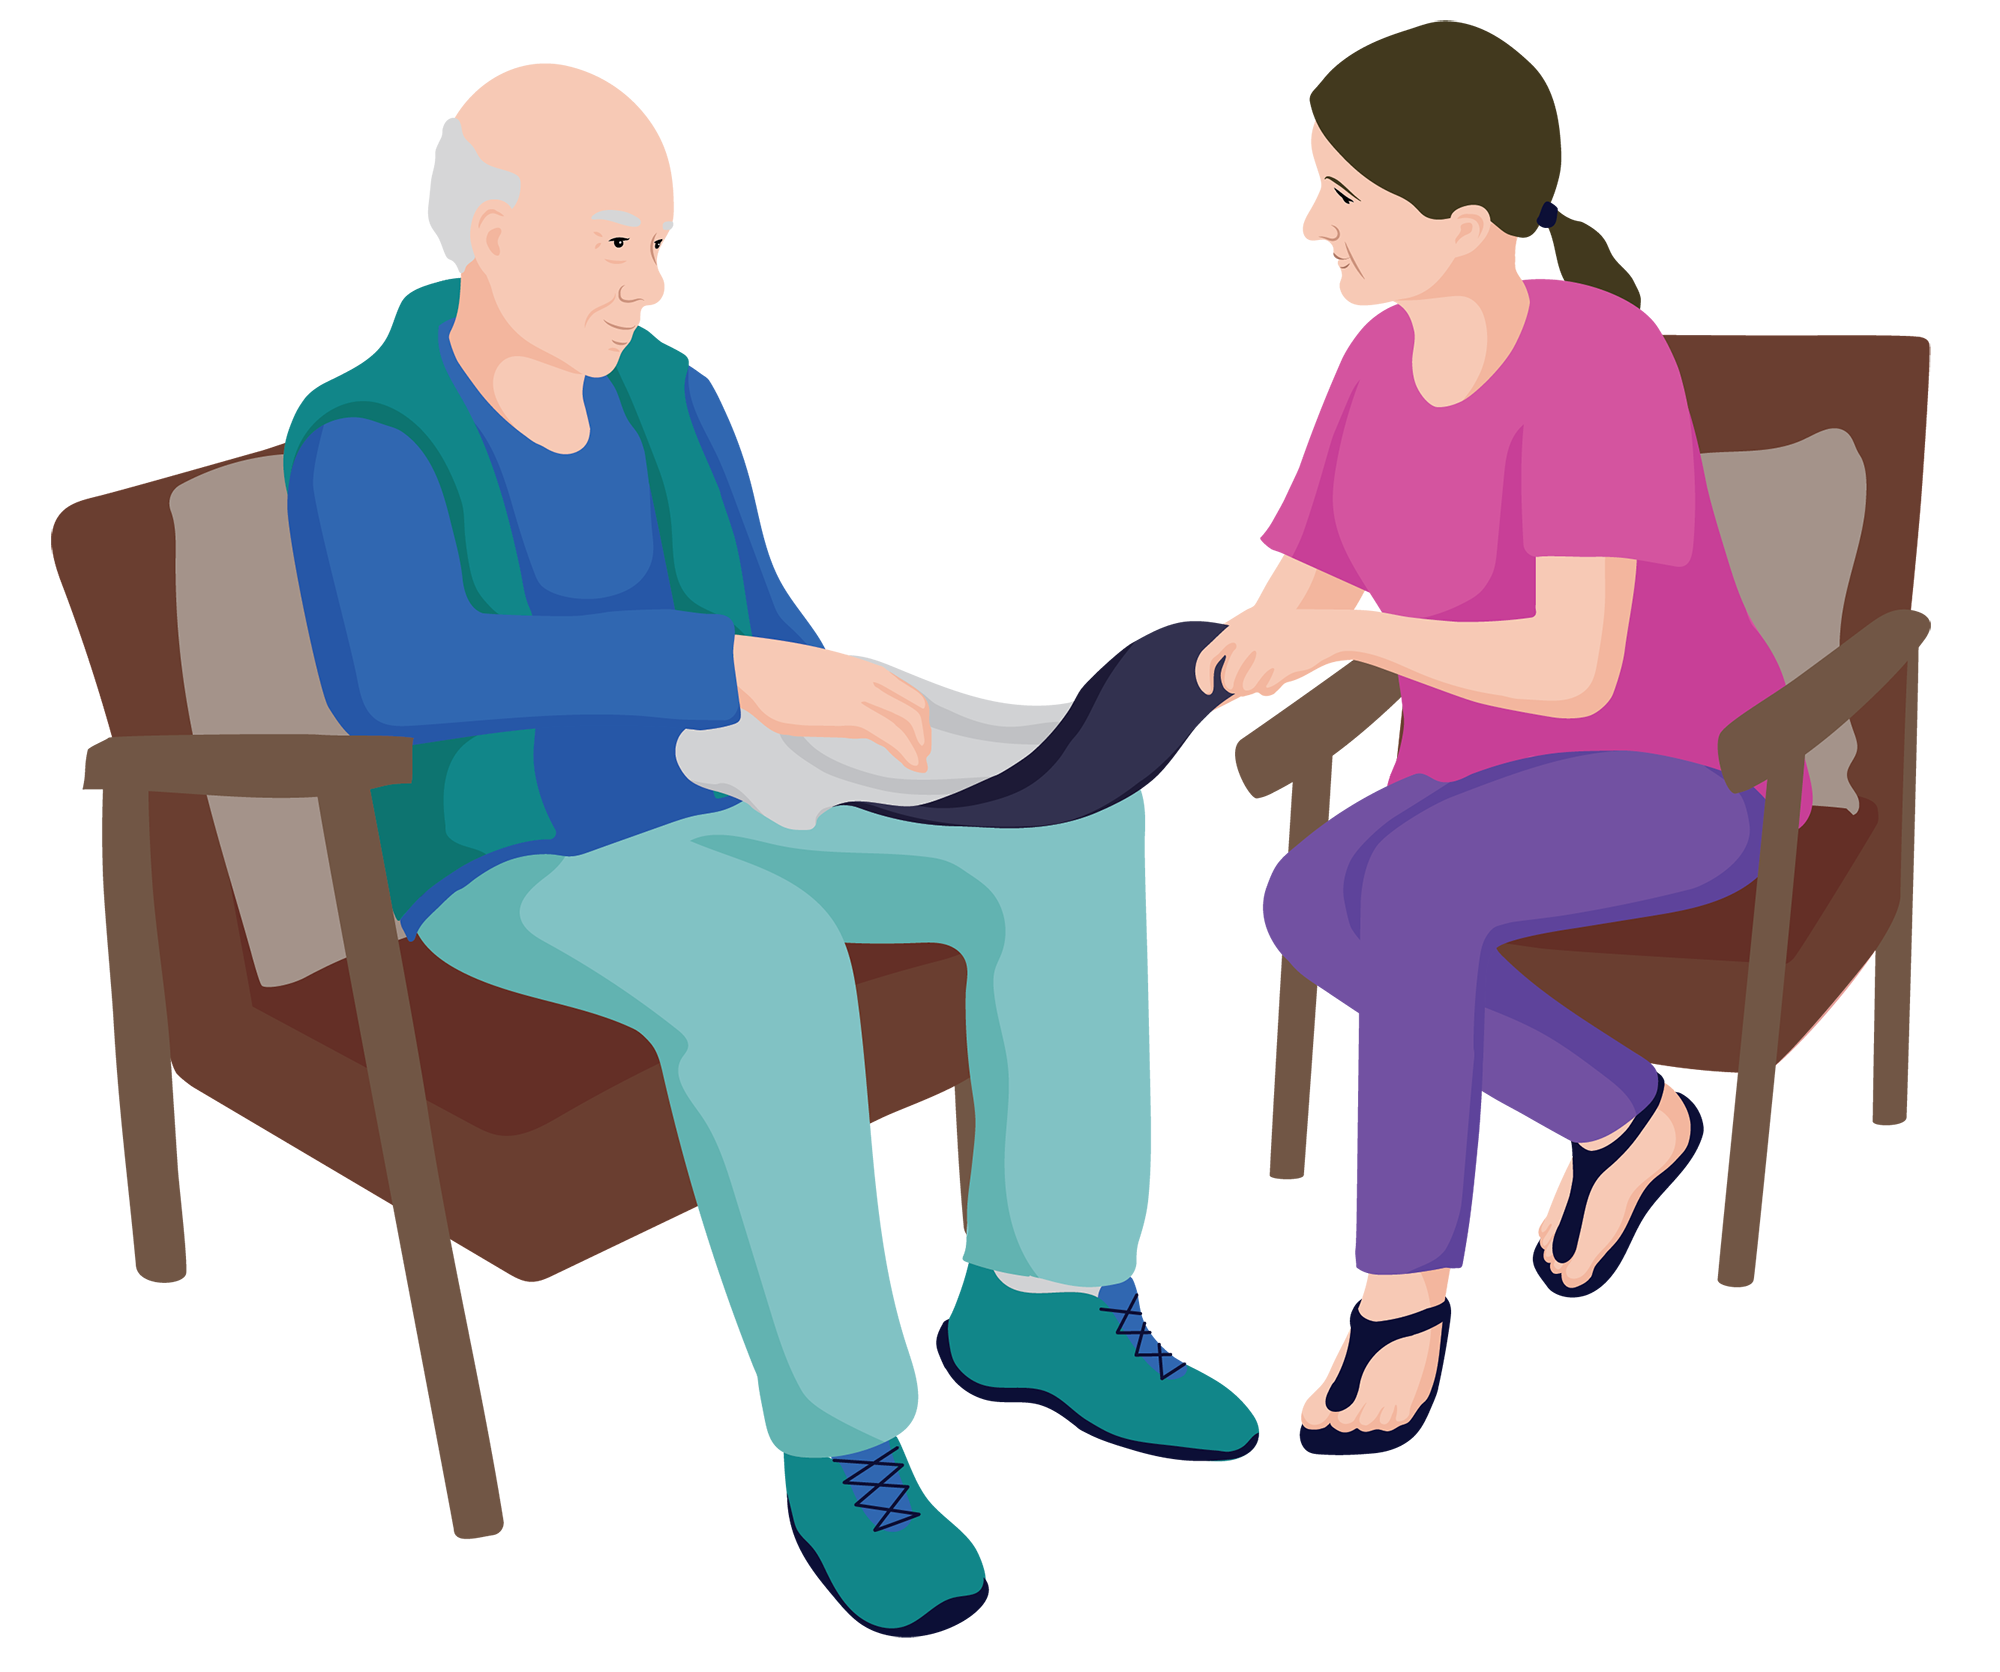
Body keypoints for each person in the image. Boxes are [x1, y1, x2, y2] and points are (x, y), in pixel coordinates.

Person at [259, 20, 1272, 1627]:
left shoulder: (644, 413)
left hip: (717, 796)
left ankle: (1073, 1279)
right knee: (762, 962)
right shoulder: (376, 439)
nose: (637, 278)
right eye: (607, 241)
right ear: (490, 237)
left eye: (656, 244)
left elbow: (738, 616)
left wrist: (859, 704)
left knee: (1108, 852)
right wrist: (726, 670)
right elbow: (404, 672)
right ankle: (865, 1452)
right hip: (513, 858)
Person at [1114, 20, 1782, 1432]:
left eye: (1353, 200)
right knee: (1244, 884)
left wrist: (1348, 634)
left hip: (1658, 772)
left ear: (1473, 216)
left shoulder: (1601, 365)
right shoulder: (1371, 359)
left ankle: (1393, 1278)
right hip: (1451, 762)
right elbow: (1305, 563)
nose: (1326, 225)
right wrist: (1251, 649)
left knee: (1415, 889)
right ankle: (1619, 1113)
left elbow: (1573, 666)